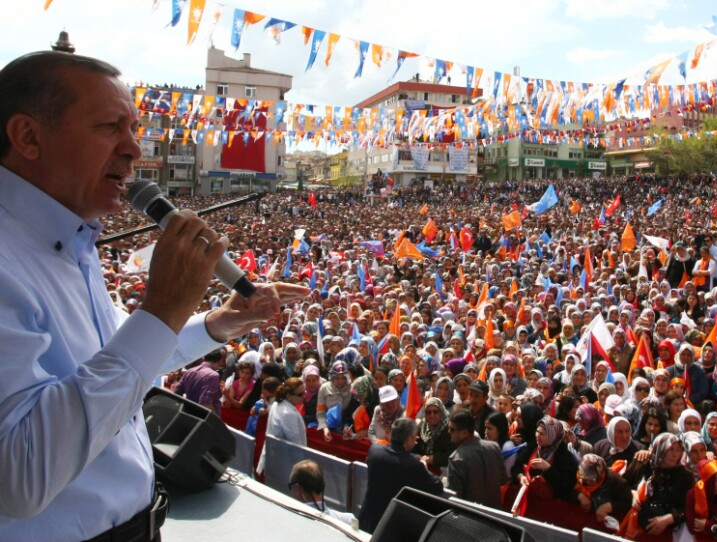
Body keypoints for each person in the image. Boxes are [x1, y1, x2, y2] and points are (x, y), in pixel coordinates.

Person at [0, 51, 306, 540]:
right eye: (109, 127)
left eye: (135, 128)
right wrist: (161, 309)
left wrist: (214, 324)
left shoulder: (73, 243)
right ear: (29, 136)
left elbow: (122, 355)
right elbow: (19, 474)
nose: (134, 150)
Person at [358, 418, 443, 533]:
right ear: (408, 440)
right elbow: (437, 485)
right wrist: (423, 466)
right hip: (390, 529)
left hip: (366, 520)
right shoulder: (413, 466)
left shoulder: (374, 451)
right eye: (414, 437)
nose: (416, 440)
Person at [445, 409, 507, 508]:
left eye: (452, 429)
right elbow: (503, 480)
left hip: (470, 517)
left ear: (464, 433)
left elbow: (454, 496)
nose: (449, 432)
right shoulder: (494, 447)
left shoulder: (456, 459)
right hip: (495, 516)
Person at [288, 460, 355, 525]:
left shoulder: (290, 522)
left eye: (291, 487)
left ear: (298, 489)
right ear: (322, 485)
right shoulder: (348, 520)